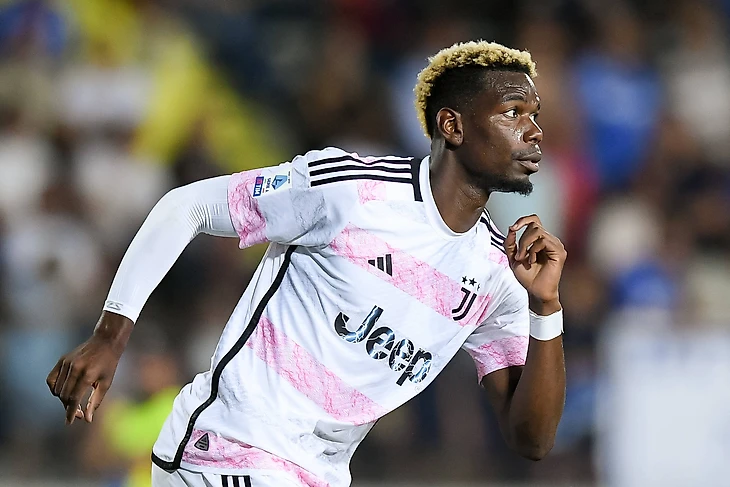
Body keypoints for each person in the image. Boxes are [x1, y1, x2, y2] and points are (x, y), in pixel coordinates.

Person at [47, 40, 567, 487]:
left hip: (317, 473)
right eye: (513, 112)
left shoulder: (497, 273)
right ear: (452, 125)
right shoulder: (349, 192)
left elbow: (532, 440)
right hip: (230, 446)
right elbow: (188, 206)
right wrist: (110, 335)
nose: (534, 131)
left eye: (536, 115)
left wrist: (545, 306)